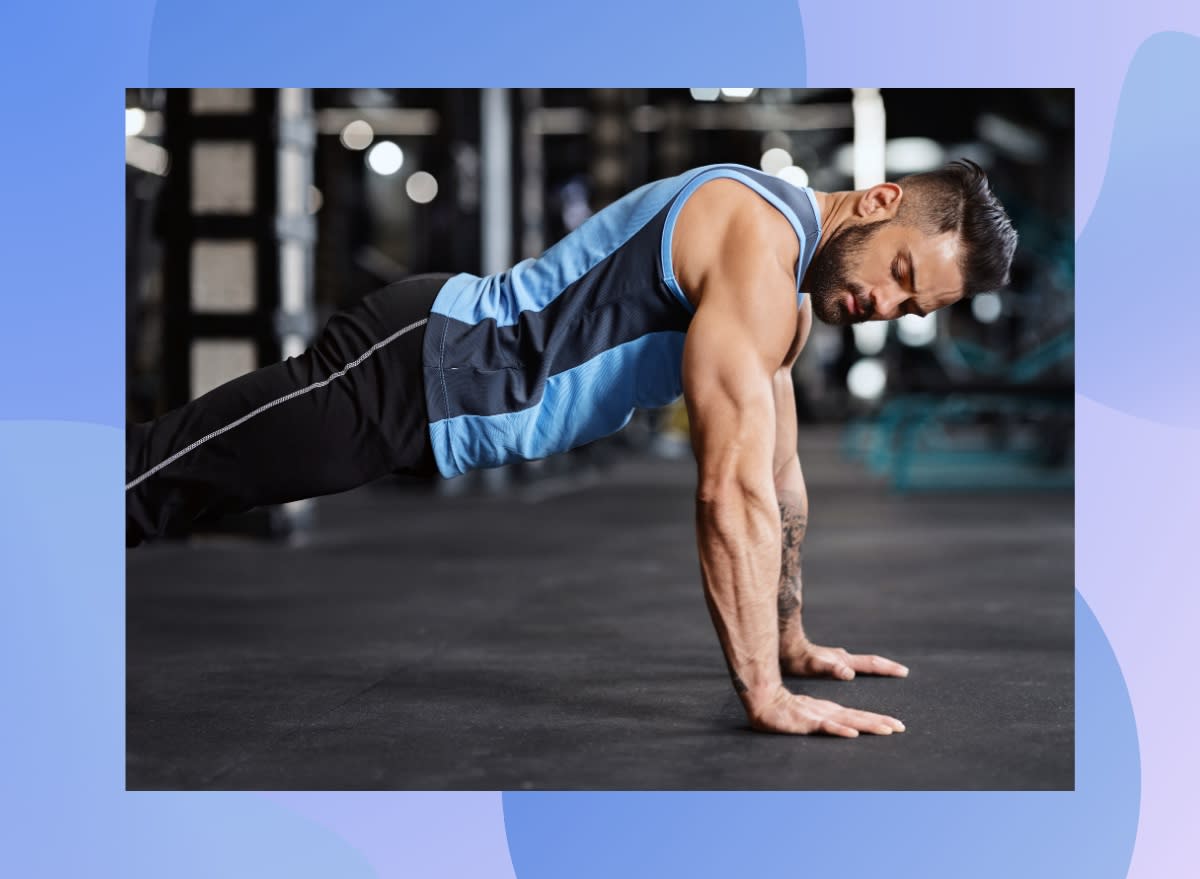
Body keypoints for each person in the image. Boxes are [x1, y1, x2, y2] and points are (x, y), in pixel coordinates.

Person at [127, 159, 1018, 736]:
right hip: (413, 366)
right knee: (157, 480)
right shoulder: (759, 238)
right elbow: (727, 491)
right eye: (900, 273)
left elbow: (781, 481)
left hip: (440, 415)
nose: (885, 304)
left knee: (192, 490)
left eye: (912, 307)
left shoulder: (785, 301)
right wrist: (762, 693)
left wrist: (791, 641)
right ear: (881, 202)